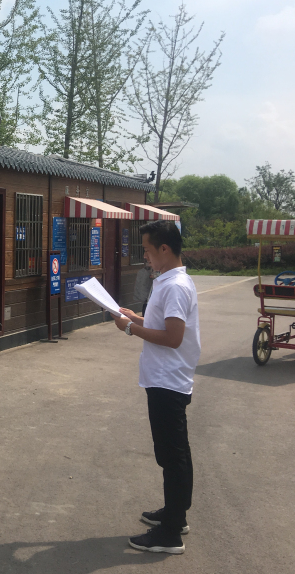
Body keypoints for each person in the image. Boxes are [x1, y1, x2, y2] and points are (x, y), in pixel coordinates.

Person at [112, 220, 201, 554]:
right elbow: (163, 324)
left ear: (165, 249)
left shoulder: (174, 286)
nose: (145, 257)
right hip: (165, 379)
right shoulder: (171, 281)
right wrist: (134, 317)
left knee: (173, 456)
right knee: (173, 453)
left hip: (168, 381)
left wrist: (129, 329)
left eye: (148, 250)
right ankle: (176, 514)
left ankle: (171, 533)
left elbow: (173, 337)